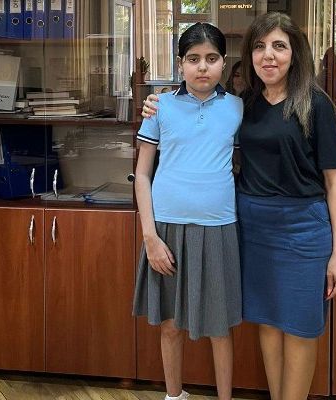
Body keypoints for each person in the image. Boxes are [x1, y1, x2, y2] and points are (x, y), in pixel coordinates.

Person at [141, 12, 336, 400]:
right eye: (260, 46)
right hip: (253, 225)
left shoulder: (316, 104)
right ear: (249, 55)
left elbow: (334, 182)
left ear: (295, 53)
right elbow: (194, 114)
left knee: (301, 328)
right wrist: (158, 100)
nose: (269, 55)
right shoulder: (245, 104)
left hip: (302, 228)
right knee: (267, 323)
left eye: (279, 46)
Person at [132, 22, 244, 400]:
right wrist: (150, 237)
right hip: (166, 230)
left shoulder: (237, 108)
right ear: (180, 64)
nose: (202, 67)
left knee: (220, 327)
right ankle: (174, 395)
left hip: (219, 227)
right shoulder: (159, 106)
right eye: (193, 59)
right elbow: (142, 174)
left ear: (223, 63)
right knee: (169, 325)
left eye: (211, 58)